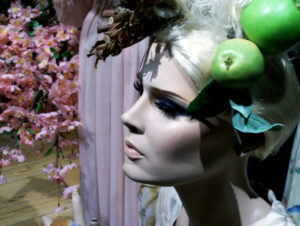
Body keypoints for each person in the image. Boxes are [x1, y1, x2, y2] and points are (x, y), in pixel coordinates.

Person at [116, 0, 300, 225]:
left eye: (169, 108)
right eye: (140, 90)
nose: (128, 117)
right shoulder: (164, 199)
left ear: (248, 138)